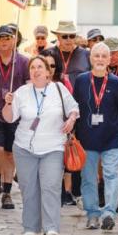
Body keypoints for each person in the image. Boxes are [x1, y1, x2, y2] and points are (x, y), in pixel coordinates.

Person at [2, 56, 79, 235]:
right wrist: (8, 103)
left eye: (40, 67)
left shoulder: (59, 89)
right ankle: (30, 227)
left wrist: (71, 120)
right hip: (24, 147)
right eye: (33, 67)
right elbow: (9, 118)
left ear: (47, 72)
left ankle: (51, 227)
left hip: (53, 146)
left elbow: (74, 108)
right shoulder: (21, 92)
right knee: (29, 189)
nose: (36, 70)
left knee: (50, 186)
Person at [73, 42, 118, 231]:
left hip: (111, 138)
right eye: (96, 55)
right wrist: (72, 133)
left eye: (103, 56)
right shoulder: (82, 80)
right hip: (87, 139)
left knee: (111, 175)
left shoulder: (115, 82)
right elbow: (74, 109)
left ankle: (108, 213)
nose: (99, 59)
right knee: (89, 178)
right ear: (90, 59)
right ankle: (92, 214)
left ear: (109, 60)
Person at [43, 20, 91, 206]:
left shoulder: (85, 55)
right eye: (65, 36)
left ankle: (76, 191)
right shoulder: (48, 54)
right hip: (54, 108)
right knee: (57, 150)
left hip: (81, 108)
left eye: (72, 36)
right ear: (58, 37)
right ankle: (61, 191)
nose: (69, 40)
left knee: (77, 147)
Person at [0, 25, 30, 209]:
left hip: (14, 116)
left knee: (10, 154)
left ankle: (7, 192)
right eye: (0, 37)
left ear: (14, 39)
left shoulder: (24, 62)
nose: (4, 41)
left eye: (8, 37)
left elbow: (28, 86)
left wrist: (16, 97)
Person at [41, 49, 74, 205]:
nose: (49, 69)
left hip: (57, 136)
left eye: (52, 65)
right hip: (38, 138)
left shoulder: (62, 85)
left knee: (54, 172)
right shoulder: (30, 86)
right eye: (45, 65)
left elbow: (73, 108)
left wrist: (71, 122)